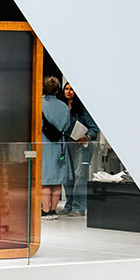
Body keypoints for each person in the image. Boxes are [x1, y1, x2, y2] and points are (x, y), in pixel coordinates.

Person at [62, 81, 98, 216]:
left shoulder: (83, 108)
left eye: (71, 89)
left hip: (81, 145)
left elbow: (94, 128)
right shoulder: (62, 107)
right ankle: (69, 204)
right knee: (67, 176)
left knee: (80, 175)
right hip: (66, 144)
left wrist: (86, 137)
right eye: (66, 88)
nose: (68, 91)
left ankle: (79, 207)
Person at [39, 76, 71, 217]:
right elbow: (67, 126)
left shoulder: (39, 104)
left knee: (45, 180)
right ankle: (53, 209)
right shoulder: (64, 107)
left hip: (44, 144)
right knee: (57, 180)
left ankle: (45, 211)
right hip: (59, 145)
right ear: (58, 90)